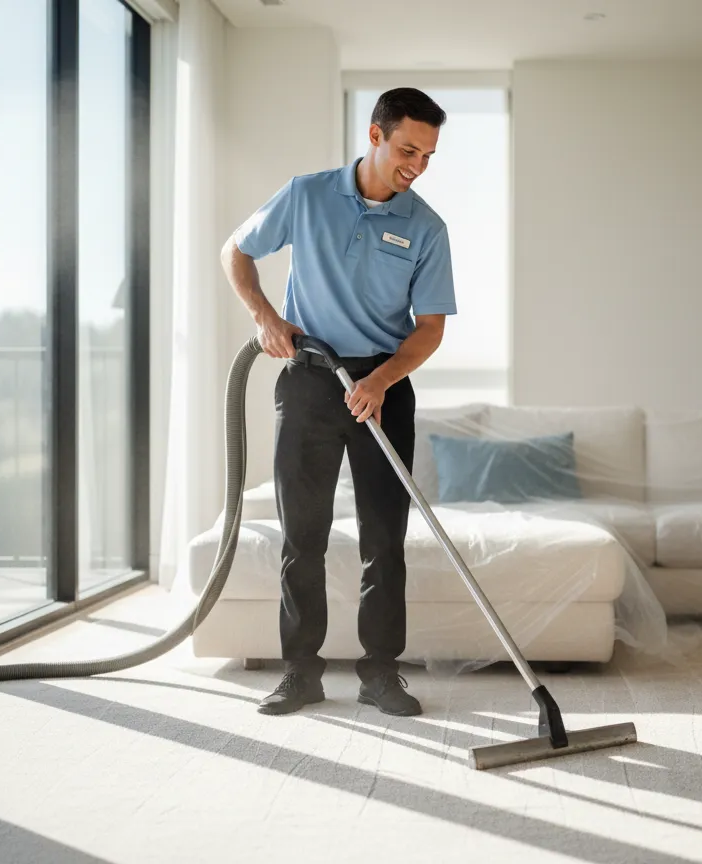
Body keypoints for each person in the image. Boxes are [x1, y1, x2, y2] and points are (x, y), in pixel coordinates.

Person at [219, 88, 456, 717]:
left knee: (385, 537)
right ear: (375, 135)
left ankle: (382, 675)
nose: (417, 166)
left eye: (429, 155)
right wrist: (266, 316)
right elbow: (235, 252)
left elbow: (429, 328)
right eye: (409, 149)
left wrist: (381, 381)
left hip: (384, 387)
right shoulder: (306, 195)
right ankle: (301, 672)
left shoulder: (426, 227)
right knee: (304, 536)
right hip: (310, 378)